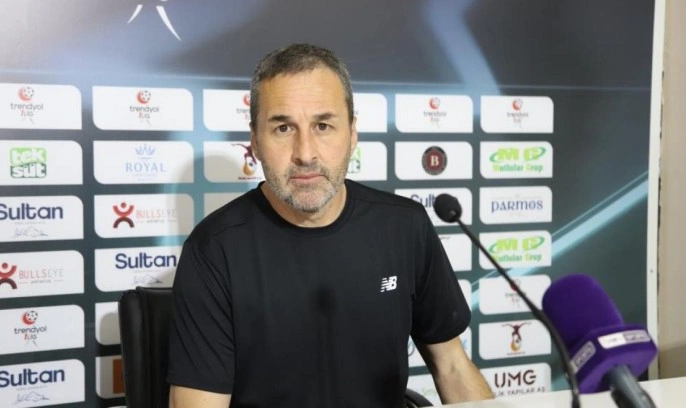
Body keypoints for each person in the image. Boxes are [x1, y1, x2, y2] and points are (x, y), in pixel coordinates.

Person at [167, 43, 494, 408]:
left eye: (323, 126)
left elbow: (452, 366)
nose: (305, 153)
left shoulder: (405, 226)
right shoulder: (214, 249)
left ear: (352, 133)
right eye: (283, 128)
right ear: (255, 141)